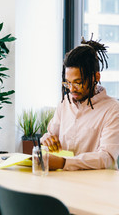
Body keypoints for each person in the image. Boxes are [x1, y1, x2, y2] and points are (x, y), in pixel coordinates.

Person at [40, 37, 119, 171]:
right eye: (68, 82)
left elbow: (107, 157)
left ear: (96, 77)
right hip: (65, 180)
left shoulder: (112, 109)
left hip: (96, 185)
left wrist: (64, 163)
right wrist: (47, 140)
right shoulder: (65, 103)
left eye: (78, 82)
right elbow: (49, 135)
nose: (71, 89)